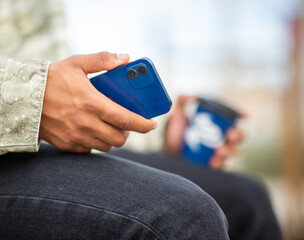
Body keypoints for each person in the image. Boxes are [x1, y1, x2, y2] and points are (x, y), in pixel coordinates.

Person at [0, 0, 229, 239]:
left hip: (27, 148)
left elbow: (55, 75)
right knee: (184, 215)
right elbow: (42, 89)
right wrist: (32, 96)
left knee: (245, 199)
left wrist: (160, 136)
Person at [110, 96, 283, 240]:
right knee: (251, 196)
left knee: (250, 195)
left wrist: (173, 151)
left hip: (114, 156)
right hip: (101, 159)